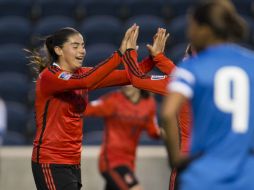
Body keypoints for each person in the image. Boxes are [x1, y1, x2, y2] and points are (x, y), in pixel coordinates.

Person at [28, 26, 138, 190]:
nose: (82, 51)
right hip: (50, 161)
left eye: (83, 45)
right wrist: (120, 55)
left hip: (73, 162)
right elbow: (88, 81)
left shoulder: (81, 74)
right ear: (58, 50)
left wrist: (154, 59)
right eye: (75, 46)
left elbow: (127, 77)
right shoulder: (50, 76)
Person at [161, 1, 254, 190]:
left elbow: (167, 113)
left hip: (203, 176)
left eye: (192, 26)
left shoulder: (192, 67)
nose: (189, 33)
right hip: (246, 176)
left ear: (205, 29)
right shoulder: (250, 63)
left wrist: (176, 160)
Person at [122, 27, 192, 190]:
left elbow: (137, 79)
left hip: (187, 161)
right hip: (218, 163)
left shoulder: (178, 84)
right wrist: (158, 58)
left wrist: (129, 52)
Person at [84, 86, 160, 190]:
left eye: (130, 82)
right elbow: (85, 109)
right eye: (124, 81)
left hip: (129, 162)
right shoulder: (114, 99)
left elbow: (153, 131)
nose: (126, 85)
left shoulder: (149, 103)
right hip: (111, 161)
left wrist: (163, 133)